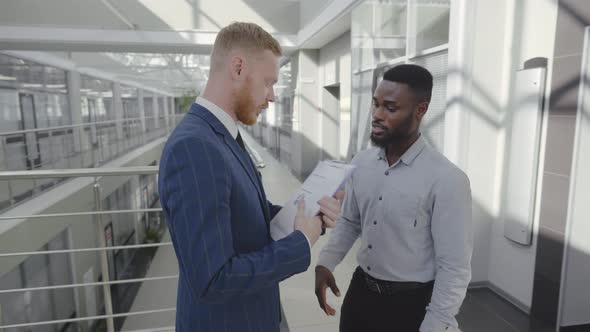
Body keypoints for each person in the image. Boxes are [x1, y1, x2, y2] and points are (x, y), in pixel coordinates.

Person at [158, 22, 342, 332]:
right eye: (269, 82)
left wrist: (311, 216)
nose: (271, 96)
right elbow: (214, 278)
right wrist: (300, 242)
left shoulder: (222, 136)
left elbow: (245, 216)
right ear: (239, 67)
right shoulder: (194, 147)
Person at [314, 64, 473, 332]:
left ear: (420, 110)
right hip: (361, 294)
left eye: (390, 108)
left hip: (412, 305)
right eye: (375, 104)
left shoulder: (447, 179)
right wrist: (326, 262)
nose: (376, 115)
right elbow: (351, 221)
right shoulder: (362, 163)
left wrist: (433, 325)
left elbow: (454, 267)